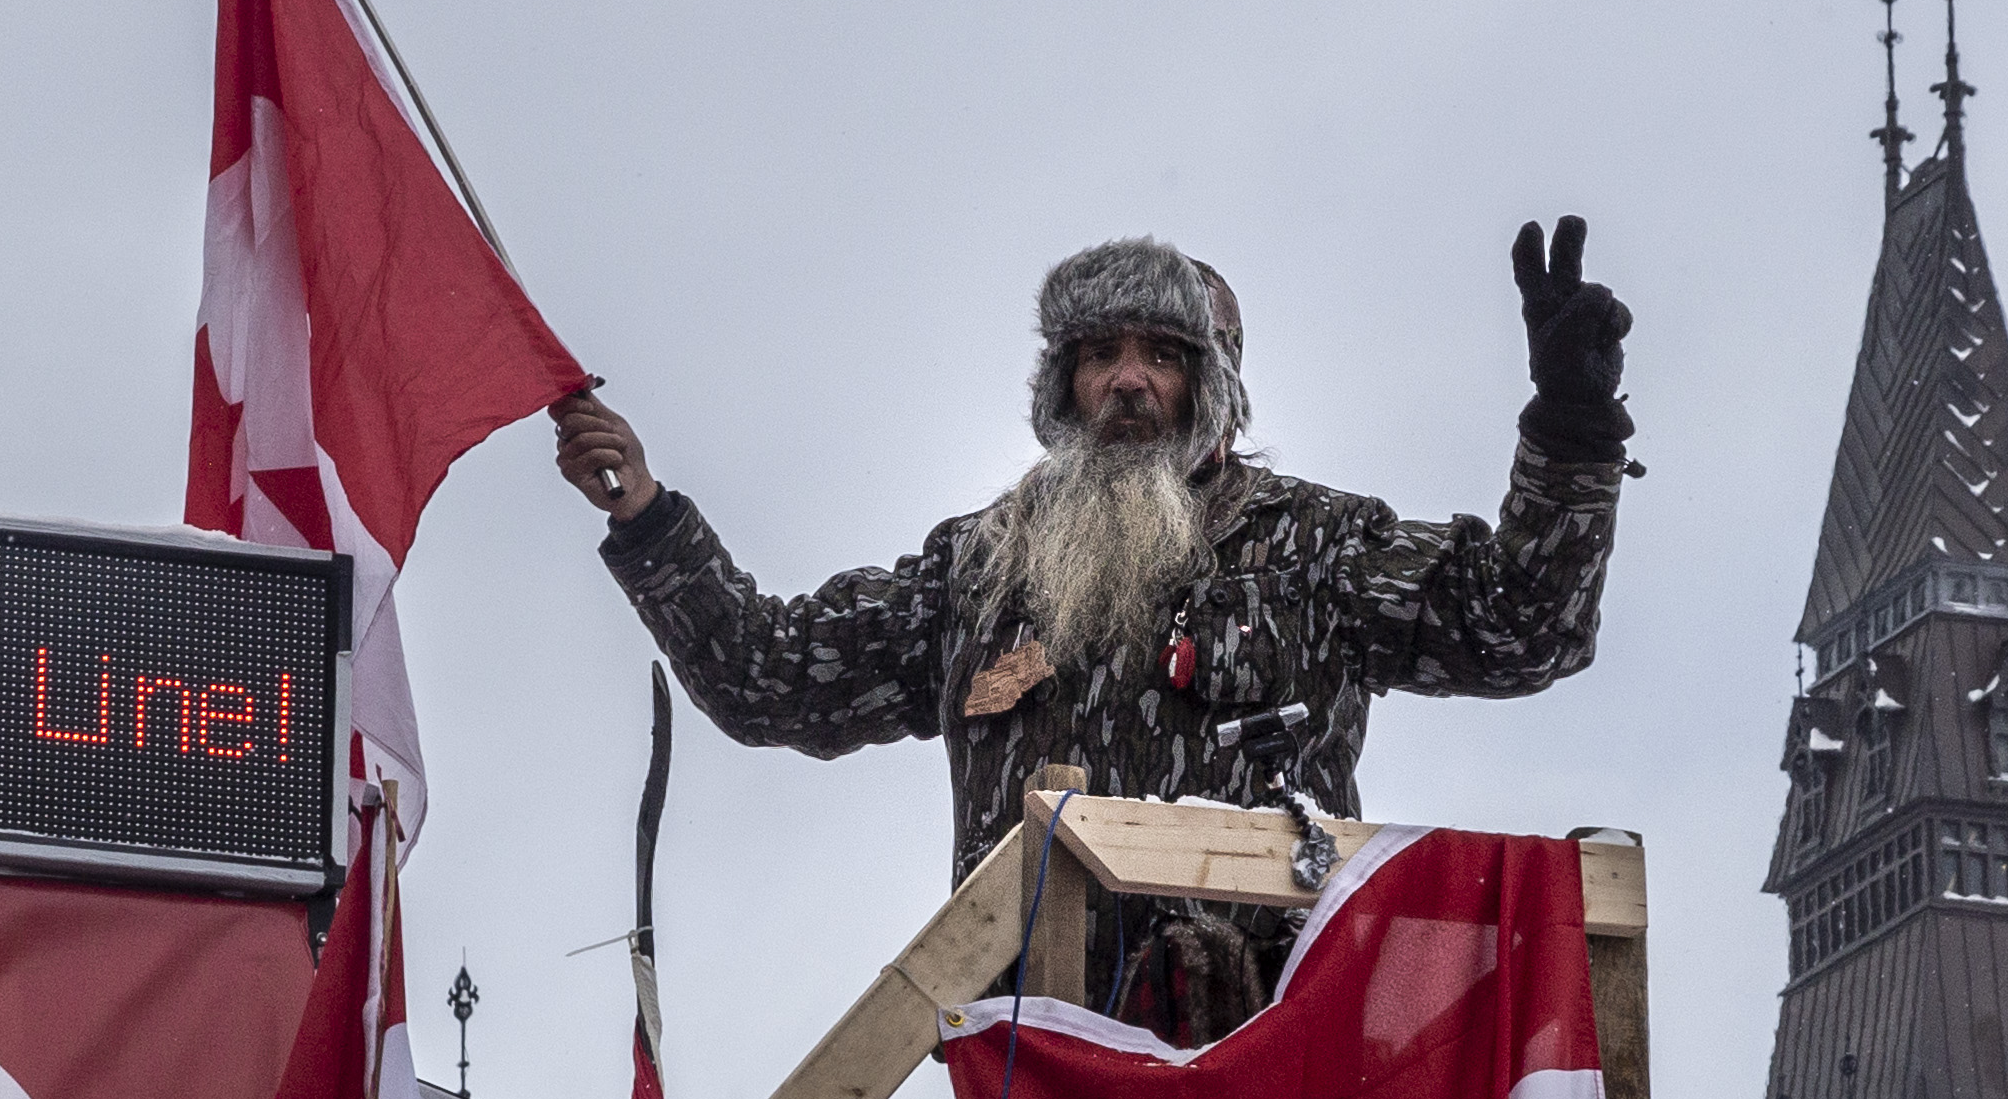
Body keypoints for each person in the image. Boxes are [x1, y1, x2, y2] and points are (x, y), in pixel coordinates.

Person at [548, 222, 1634, 1039]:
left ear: (1212, 387)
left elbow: (1520, 627)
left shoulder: (1316, 550)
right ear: (1060, 385)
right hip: (1043, 1062)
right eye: (1098, 353)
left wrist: (1570, 436)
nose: (1127, 379)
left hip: (1268, 1045)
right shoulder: (977, 573)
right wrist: (646, 518)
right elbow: (771, 680)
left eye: (1161, 353)